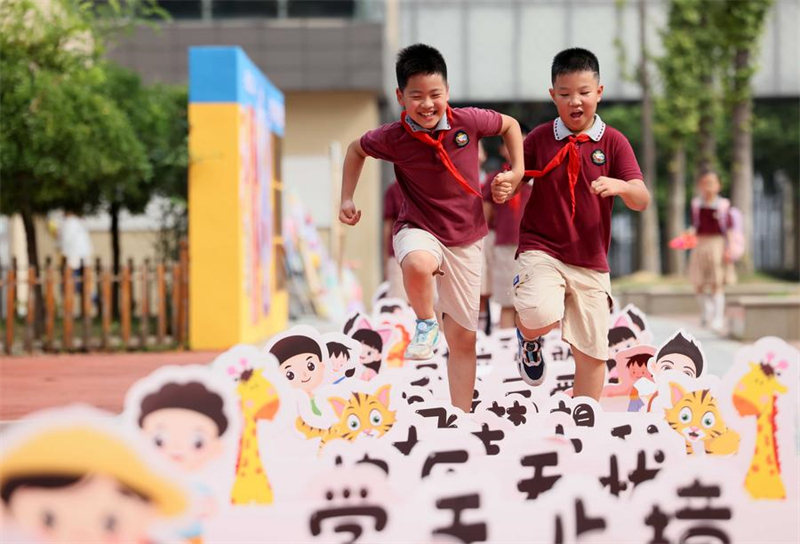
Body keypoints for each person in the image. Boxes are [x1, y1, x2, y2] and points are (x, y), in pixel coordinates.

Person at [339, 43, 524, 412]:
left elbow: (509, 125)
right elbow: (355, 149)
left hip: (467, 239)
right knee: (418, 263)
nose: (427, 104)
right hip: (418, 226)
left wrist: (517, 171)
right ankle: (425, 322)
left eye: (435, 95)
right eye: (417, 96)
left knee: (463, 339)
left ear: (447, 92)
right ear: (400, 97)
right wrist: (347, 198)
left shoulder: (468, 122)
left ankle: (462, 415)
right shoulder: (392, 137)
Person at [493, 48, 650, 401]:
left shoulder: (613, 142)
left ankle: (585, 424)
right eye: (564, 95)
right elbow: (516, 176)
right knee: (540, 314)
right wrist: (506, 184)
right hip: (541, 248)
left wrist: (621, 186)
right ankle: (529, 339)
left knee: (593, 352)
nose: (574, 101)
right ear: (553, 96)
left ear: (599, 92)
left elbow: (642, 198)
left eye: (583, 92)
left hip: (591, 258)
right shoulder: (538, 139)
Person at [482, 125, 532, 329]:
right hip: (506, 245)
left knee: (534, 303)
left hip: (535, 246)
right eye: (511, 144)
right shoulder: (495, 178)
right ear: (503, 149)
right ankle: (506, 350)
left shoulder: (541, 175)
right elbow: (485, 215)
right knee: (507, 301)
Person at [687, 171, 738, 333]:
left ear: (718, 186)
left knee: (717, 282)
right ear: (700, 185)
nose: (708, 187)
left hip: (717, 244)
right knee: (698, 282)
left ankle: (717, 317)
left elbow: (729, 229)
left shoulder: (723, 206)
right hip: (700, 244)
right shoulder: (696, 205)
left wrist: (729, 248)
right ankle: (706, 310)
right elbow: (695, 225)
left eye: (712, 183)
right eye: (705, 182)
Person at [382, 181, 408, 301]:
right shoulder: (393, 190)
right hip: (397, 253)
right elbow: (388, 227)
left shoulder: (428, 185)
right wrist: (386, 260)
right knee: (398, 302)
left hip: (427, 253)